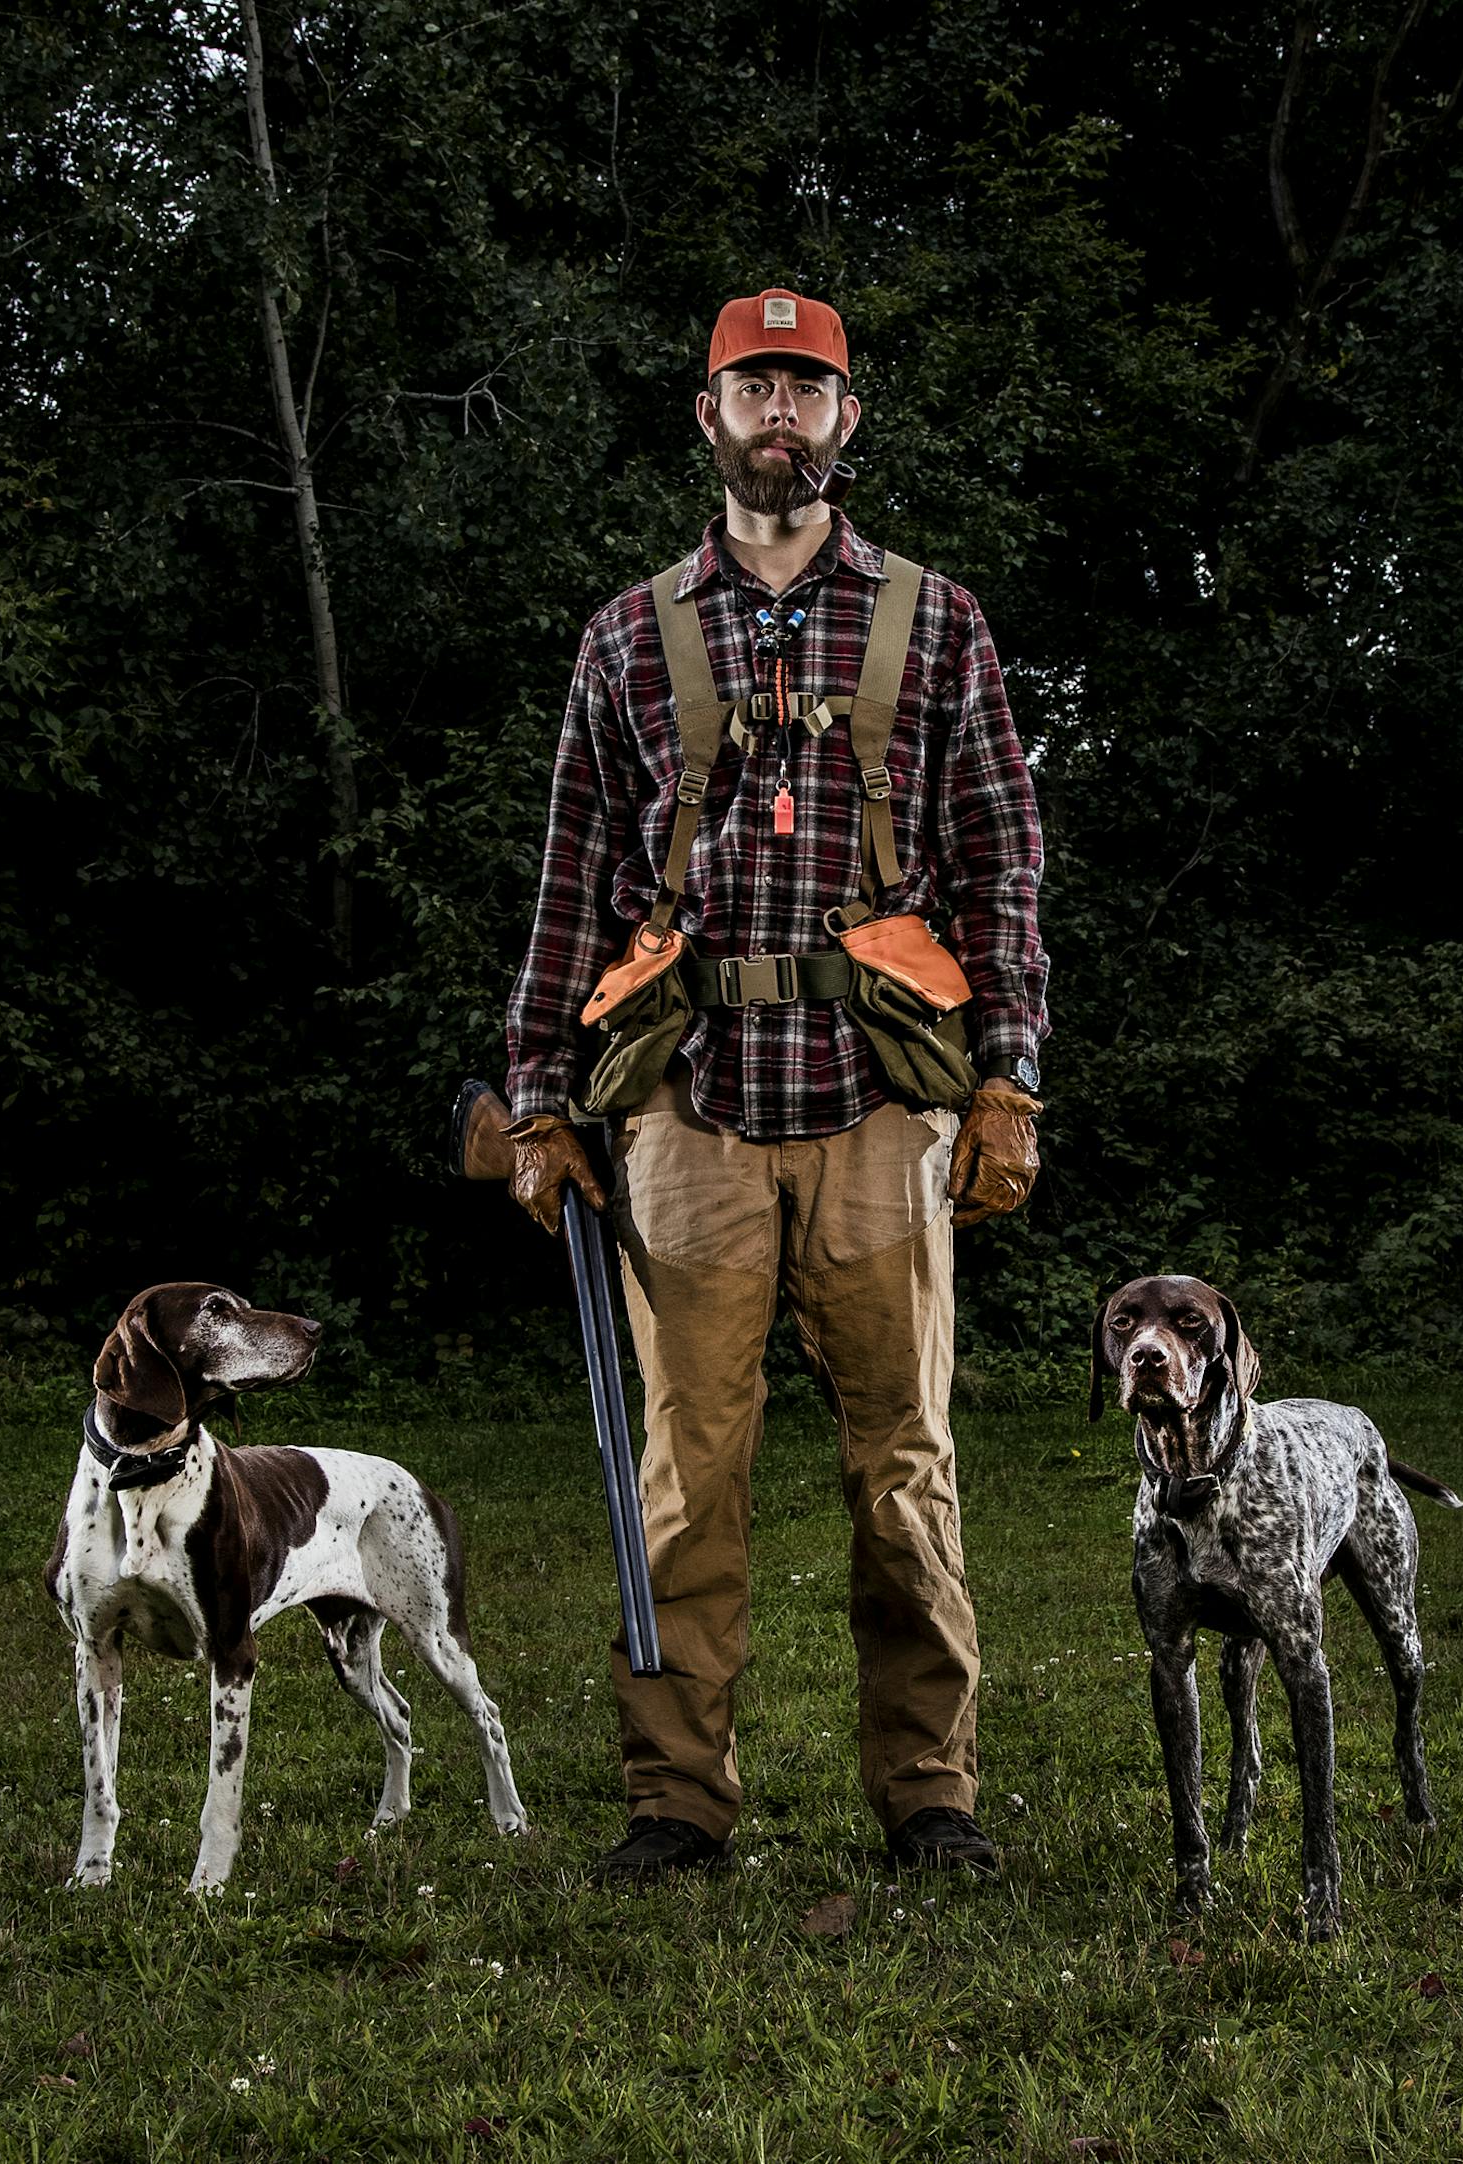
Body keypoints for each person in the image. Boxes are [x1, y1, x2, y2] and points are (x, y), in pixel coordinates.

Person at [502, 287, 1048, 1882]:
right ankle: (676, 1806)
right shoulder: (625, 634)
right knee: (685, 1483)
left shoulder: (938, 621)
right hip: (685, 1112)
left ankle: (930, 1798)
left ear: (848, 422)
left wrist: (1009, 1081)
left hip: (886, 1107)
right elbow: (569, 883)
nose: (783, 414)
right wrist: (541, 1098)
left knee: (908, 1471)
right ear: (710, 414)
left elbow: (1006, 866)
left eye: (810, 389)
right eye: (757, 386)